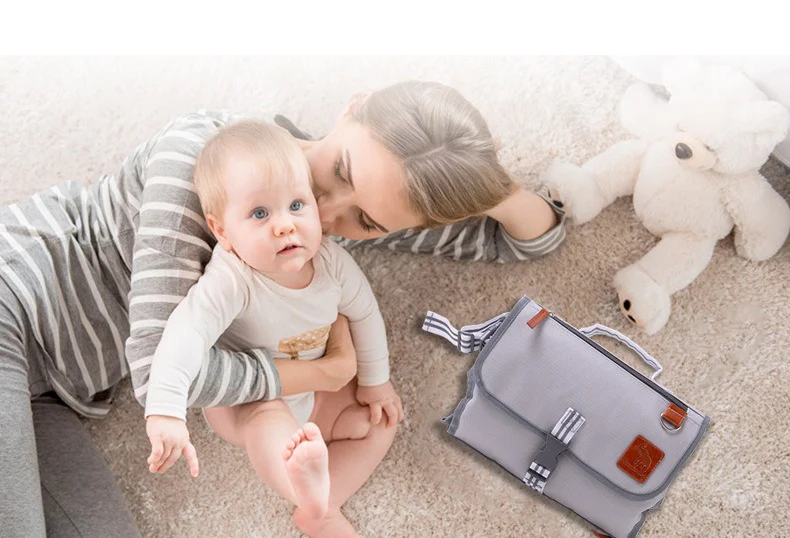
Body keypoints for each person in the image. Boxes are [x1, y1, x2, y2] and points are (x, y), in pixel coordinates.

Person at [0, 80, 565, 538]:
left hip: (64, 389)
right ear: (353, 106)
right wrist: (321, 374)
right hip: (16, 299)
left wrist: (481, 184)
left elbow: (528, 239)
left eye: (367, 221)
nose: (324, 209)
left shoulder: (350, 214)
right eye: (341, 171)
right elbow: (161, 376)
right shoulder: (200, 156)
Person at [143, 120, 403, 532]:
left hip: (314, 392)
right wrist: (165, 410)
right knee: (268, 422)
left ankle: (323, 504)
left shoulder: (332, 263)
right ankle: (301, 485)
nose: (285, 225)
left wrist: (375, 381)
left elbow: (365, 313)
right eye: (260, 213)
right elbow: (185, 333)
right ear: (222, 231)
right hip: (249, 401)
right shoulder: (233, 278)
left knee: (380, 418)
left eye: (297, 205)